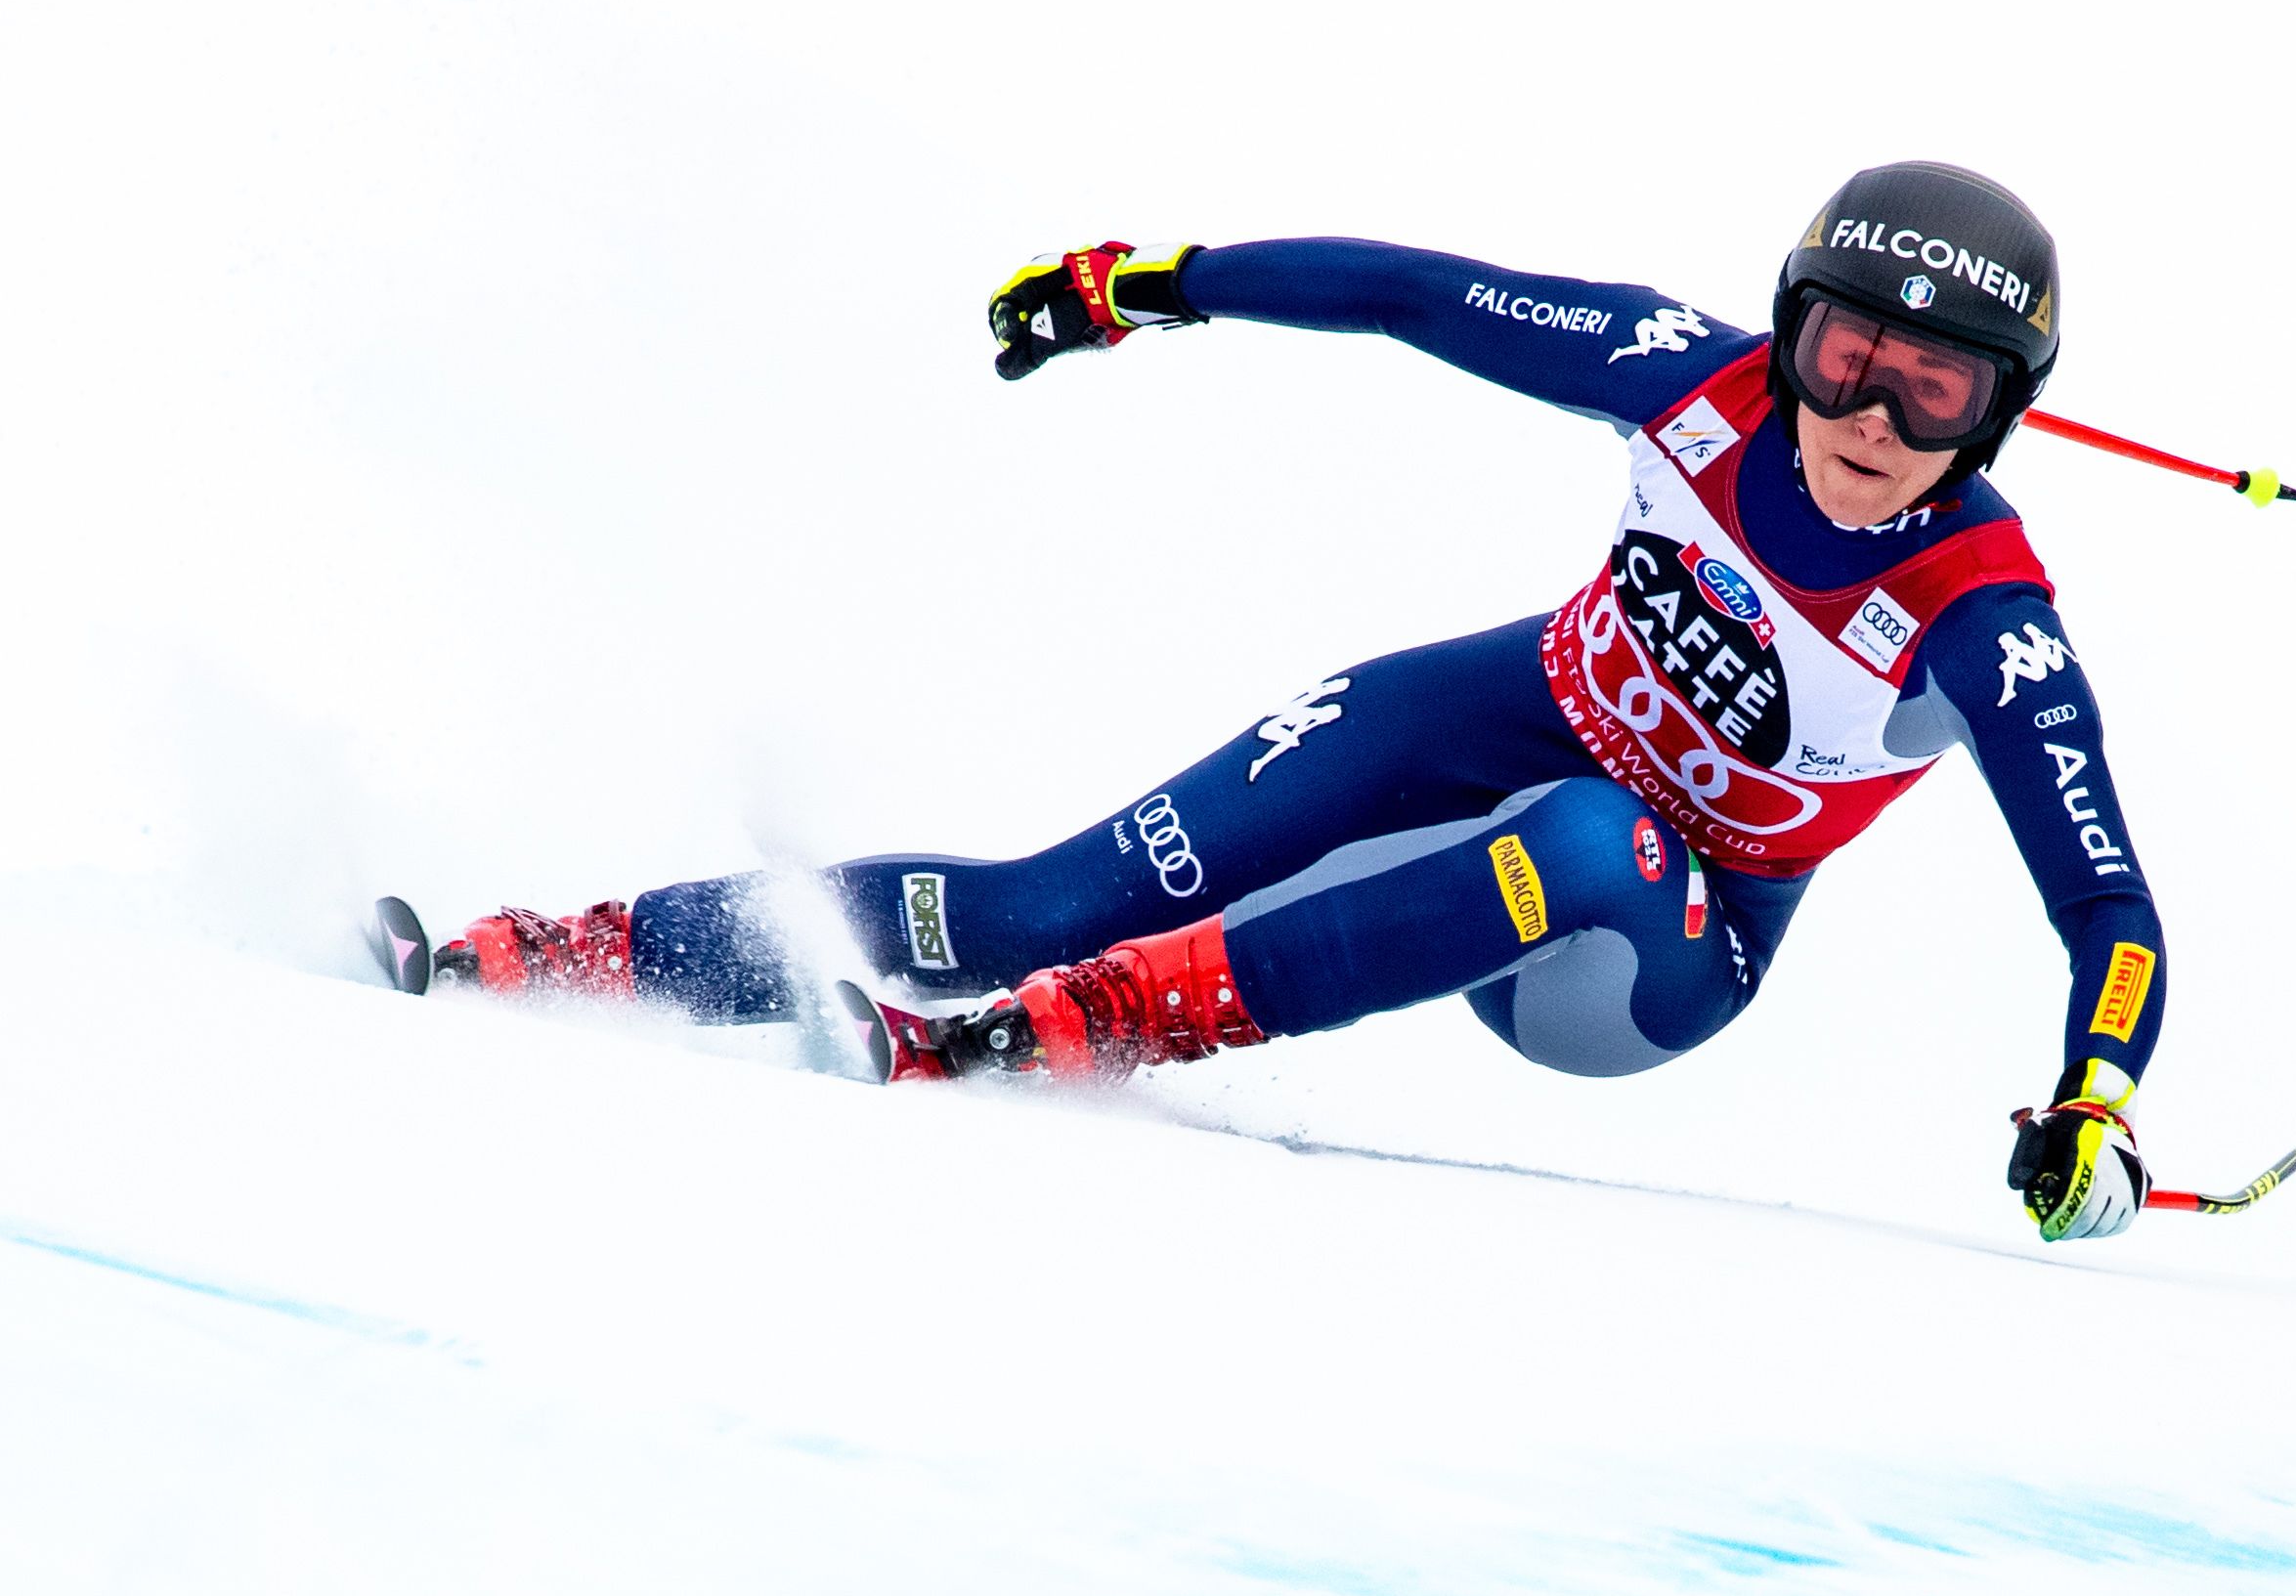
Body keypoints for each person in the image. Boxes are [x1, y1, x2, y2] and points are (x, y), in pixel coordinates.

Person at [421, 161, 2161, 1243]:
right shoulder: (1674, 373)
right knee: (1039, 899)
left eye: (1930, 391)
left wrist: (2094, 1097)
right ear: (1788, 332)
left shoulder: (1980, 619)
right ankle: (564, 954)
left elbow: (2106, 904)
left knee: (1588, 828)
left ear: (1993, 419)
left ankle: (1094, 1021)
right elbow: (1411, 297)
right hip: (1505, 718)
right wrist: (1150, 283)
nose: (1869, 415)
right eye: (1844, 353)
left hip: (1647, 944)